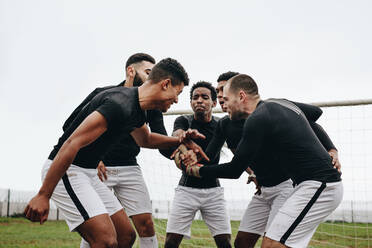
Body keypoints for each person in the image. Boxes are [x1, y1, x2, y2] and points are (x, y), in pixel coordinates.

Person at [24, 58, 207, 248]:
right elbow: (72, 143)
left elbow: (146, 139)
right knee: (105, 240)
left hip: (87, 173)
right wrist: (43, 194)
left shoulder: (137, 107)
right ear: (165, 84)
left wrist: (180, 140)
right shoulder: (119, 104)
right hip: (68, 171)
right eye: (177, 93)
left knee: (125, 236)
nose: (177, 99)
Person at [183, 74, 343, 248]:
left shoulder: (257, 119)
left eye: (227, 98)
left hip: (321, 184)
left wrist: (196, 170)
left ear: (241, 96)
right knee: (254, 243)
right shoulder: (277, 104)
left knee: (271, 245)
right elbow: (313, 113)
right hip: (301, 186)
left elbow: (234, 170)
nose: (223, 103)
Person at [63, 53, 167, 248]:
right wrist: (94, 158)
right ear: (130, 71)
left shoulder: (151, 105)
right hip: (98, 170)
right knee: (97, 233)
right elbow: (69, 126)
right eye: (148, 72)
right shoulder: (103, 94)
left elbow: (157, 139)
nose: (152, 78)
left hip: (130, 168)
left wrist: (182, 148)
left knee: (146, 225)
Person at [164, 81, 232, 248]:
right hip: (186, 190)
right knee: (171, 242)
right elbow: (177, 133)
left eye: (204, 97)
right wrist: (183, 138)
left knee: (224, 243)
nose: (199, 100)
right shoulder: (183, 120)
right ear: (191, 103)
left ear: (214, 103)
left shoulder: (221, 125)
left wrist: (252, 172)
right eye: (195, 97)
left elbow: (237, 150)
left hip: (213, 192)